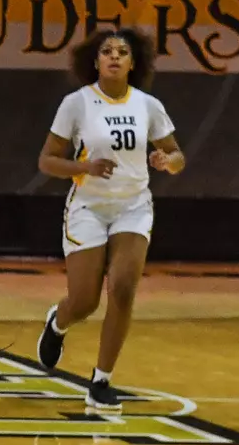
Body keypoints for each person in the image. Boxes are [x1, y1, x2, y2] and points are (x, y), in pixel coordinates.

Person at [35, 27, 183, 412]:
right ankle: (58, 322)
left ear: (134, 63)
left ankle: (101, 381)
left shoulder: (148, 105)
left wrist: (168, 161)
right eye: (107, 51)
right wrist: (83, 166)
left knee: (122, 288)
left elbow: (177, 155)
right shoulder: (77, 103)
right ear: (95, 60)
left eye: (122, 51)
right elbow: (46, 161)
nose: (114, 56)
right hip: (88, 206)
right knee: (84, 302)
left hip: (133, 206)